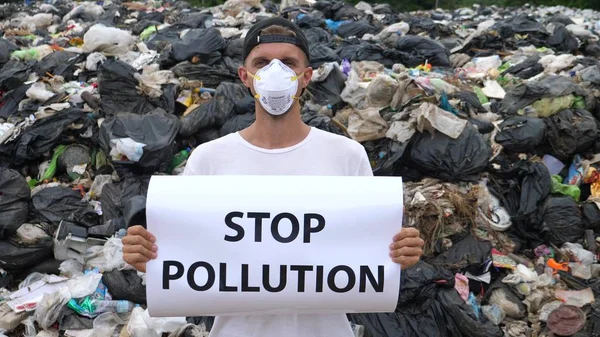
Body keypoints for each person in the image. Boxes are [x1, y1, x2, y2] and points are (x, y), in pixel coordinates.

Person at [123, 17, 425, 337]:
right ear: (245, 77)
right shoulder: (209, 160)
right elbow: (188, 259)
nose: (275, 72)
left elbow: (368, 251)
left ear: (306, 77)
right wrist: (150, 259)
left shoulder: (347, 157)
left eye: (288, 63)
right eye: (263, 63)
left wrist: (397, 254)